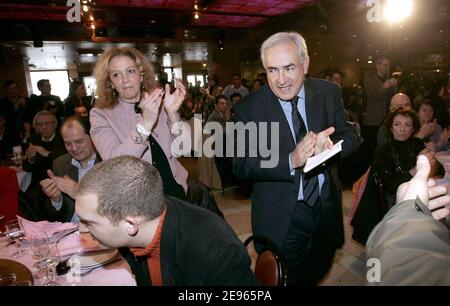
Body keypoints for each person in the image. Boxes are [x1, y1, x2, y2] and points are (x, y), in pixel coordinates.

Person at [233, 31, 359, 285]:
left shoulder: (328, 93)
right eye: (272, 70)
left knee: (317, 271)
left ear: (305, 64)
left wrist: (332, 145)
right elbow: (242, 164)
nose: (280, 80)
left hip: (325, 210)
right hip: (281, 217)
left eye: (289, 68)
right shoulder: (248, 109)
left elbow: (351, 135)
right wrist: (290, 159)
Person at [75, 155, 258, 286]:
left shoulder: (215, 255)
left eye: (89, 222)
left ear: (130, 224)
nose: (81, 229)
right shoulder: (147, 215)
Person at [90, 47, 189, 199]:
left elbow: (184, 148)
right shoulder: (100, 115)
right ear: (110, 82)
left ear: (141, 75)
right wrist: (145, 125)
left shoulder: (158, 102)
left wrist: (173, 113)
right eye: (116, 74)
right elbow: (115, 165)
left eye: (130, 71)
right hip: (139, 200)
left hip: (175, 190)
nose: (125, 79)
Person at [366, 155, 450, 285]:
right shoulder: (383, 152)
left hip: (401, 215)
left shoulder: (416, 145)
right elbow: (390, 185)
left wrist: (407, 211)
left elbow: (380, 275)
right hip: (394, 204)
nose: (403, 132)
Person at [40, 116, 100, 222]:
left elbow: (117, 209)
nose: (74, 148)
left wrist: (80, 193)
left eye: (79, 142)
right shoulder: (60, 164)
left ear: (92, 136)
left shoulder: (108, 162)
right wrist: (56, 200)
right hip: (69, 230)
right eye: (68, 144)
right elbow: (53, 217)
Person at [361, 55, 398, 168]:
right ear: (377, 65)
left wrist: (394, 87)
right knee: (371, 149)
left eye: (388, 65)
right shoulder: (368, 81)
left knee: (385, 148)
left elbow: (393, 99)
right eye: (385, 65)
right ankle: (369, 173)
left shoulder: (388, 81)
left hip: (387, 119)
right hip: (373, 120)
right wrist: (384, 87)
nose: (387, 68)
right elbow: (372, 97)